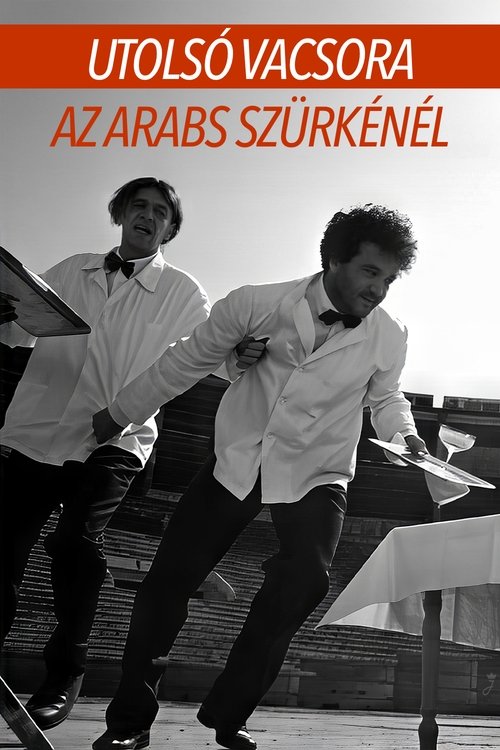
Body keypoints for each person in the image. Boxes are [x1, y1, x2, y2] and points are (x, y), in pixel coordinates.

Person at [91, 205, 428, 750]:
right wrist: (118, 414)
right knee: (165, 585)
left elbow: (387, 398)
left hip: (318, 469)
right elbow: (185, 361)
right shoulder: (254, 302)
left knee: (307, 579)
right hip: (240, 456)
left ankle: (229, 711)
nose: (379, 289)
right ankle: (128, 723)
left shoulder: (391, 333)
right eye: (370, 272)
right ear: (334, 260)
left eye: (389, 279)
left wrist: (405, 435)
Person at [0, 177, 216, 731]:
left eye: (161, 211)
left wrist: (246, 353)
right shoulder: (69, 270)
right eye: (138, 205)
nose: (148, 216)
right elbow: (17, 335)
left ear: (171, 227)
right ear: (120, 213)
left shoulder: (185, 293)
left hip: (114, 437)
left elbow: (211, 355)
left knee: (75, 540)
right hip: (35, 430)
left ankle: (65, 671)